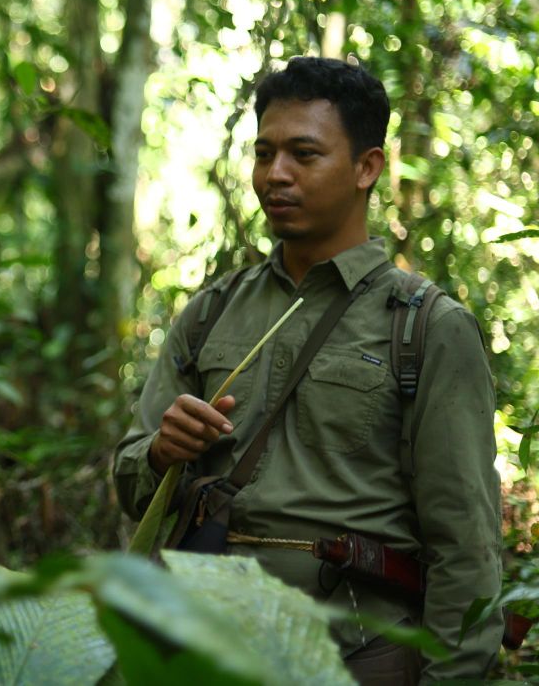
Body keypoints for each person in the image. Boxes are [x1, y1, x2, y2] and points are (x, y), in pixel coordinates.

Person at [113, 57, 502, 683]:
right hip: (197, 649)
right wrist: (161, 453)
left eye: (304, 154)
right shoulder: (212, 311)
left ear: (366, 168)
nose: (276, 174)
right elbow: (131, 483)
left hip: (351, 655)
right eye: (264, 154)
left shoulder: (428, 327)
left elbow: (466, 543)